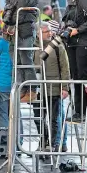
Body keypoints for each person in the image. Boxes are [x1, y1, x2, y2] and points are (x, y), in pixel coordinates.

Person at [2, 0, 40, 103]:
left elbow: (24, 2)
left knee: (26, 59)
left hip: (26, 28)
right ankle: (21, 89)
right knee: (15, 60)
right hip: (12, 28)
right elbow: (9, 4)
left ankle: (32, 89)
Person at [34, 22, 70, 151]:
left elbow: (65, 68)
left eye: (49, 31)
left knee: (55, 119)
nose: (49, 33)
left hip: (54, 88)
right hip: (38, 90)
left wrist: (65, 87)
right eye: (45, 31)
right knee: (39, 118)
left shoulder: (57, 46)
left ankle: (55, 144)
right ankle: (43, 142)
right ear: (38, 33)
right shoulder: (33, 47)